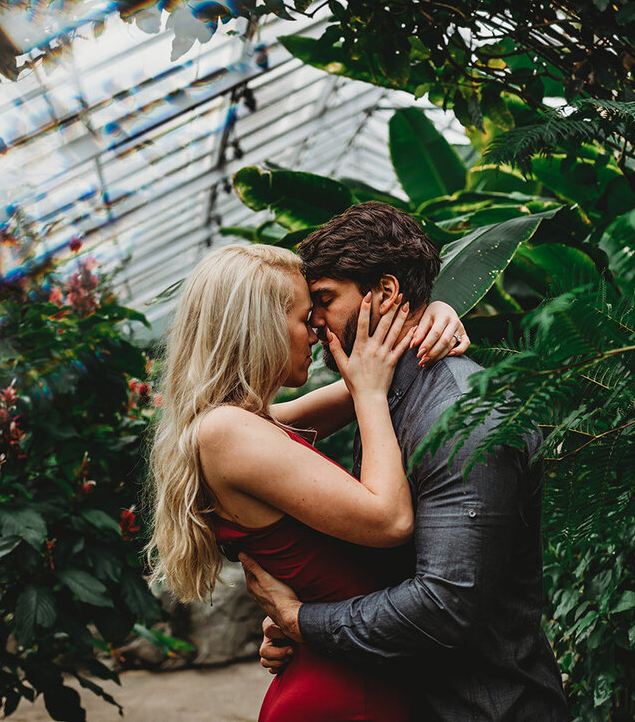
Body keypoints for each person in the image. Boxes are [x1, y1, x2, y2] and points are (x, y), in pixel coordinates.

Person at [238, 202, 569, 720]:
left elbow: (445, 606)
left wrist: (305, 621)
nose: (314, 322)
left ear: (386, 293)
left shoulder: (461, 417)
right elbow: (389, 565)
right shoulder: (378, 395)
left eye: (324, 300)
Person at [143, 242, 468, 722]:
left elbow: (372, 369)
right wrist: (374, 397)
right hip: (348, 693)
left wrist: (428, 315)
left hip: (343, 670)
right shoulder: (227, 434)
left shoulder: (244, 425)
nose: (317, 333)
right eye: (303, 319)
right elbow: (391, 520)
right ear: (261, 330)